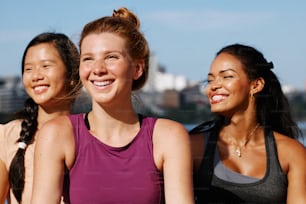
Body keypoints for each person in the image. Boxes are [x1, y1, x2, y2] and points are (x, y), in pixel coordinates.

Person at [31, 7, 194, 204]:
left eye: (111, 57)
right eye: (88, 59)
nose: (98, 69)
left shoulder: (169, 137)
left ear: (137, 68)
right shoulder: (57, 135)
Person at [190, 43, 306, 203]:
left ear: (256, 85)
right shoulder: (194, 147)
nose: (213, 86)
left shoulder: (291, 153)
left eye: (227, 76)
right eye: (210, 80)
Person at [0, 32, 81, 204]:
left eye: (45, 66)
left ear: (72, 75)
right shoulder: (8, 134)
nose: (36, 76)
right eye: (28, 69)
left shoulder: (90, 134)